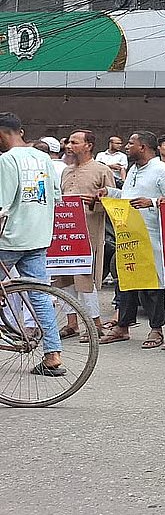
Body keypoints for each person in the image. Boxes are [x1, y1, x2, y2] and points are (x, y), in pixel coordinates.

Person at [100, 131, 165, 349]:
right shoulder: (134, 169)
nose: (127, 147)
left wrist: (152, 202)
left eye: (131, 144)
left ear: (143, 147)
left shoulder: (163, 171)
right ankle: (122, 327)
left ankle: (156, 329)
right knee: (125, 283)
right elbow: (129, 198)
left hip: (152, 236)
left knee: (152, 284)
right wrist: (109, 192)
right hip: (129, 235)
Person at [0, 112, 66, 376]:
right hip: (39, 236)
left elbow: (1, 205)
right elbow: (57, 197)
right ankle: (53, 355)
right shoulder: (43, 158)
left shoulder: (7, 160)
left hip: (11, 238)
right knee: (39, 295)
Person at [56, 130, 116, 339]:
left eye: (74, 142)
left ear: (88, 145)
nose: (69, 146)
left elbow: (113, 203)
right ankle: (72, 324)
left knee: (84, 278)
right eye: (69, 142)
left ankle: (95, 324)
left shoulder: (102, 170)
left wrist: (93, 202)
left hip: (89, 233)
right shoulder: (65, 171)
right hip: (65, 233)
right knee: (64, 278)